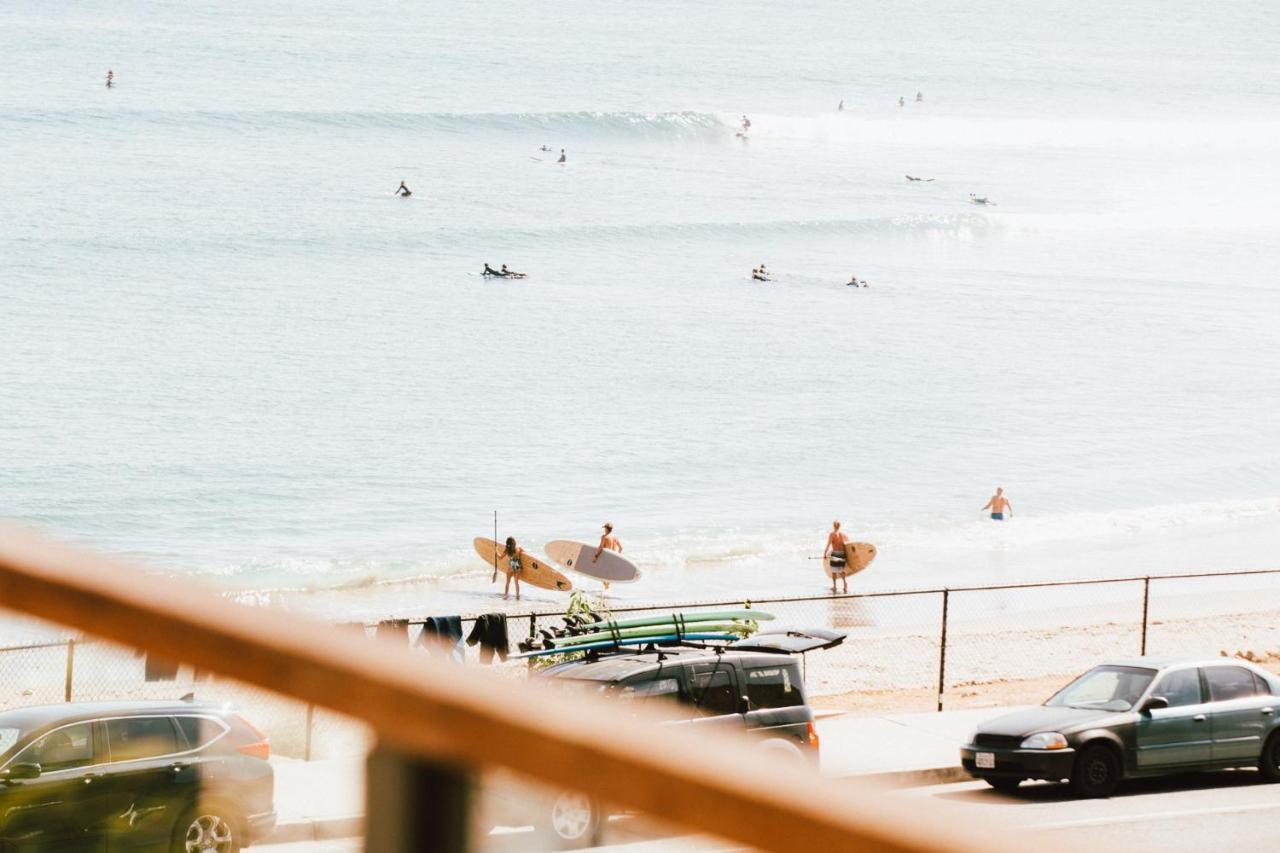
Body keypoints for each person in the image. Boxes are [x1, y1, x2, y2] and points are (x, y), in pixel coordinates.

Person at [823, 521, 850, 593]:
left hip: (835, 553)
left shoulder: (832, 534)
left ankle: (835, 586)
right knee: (841, 570)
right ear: (839, 526)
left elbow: (828, 545)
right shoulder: (842, 535)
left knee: (834, 571)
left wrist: (825, 554)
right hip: (842, 553)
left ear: (833, 526)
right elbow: (847, 544)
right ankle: (844, 584)